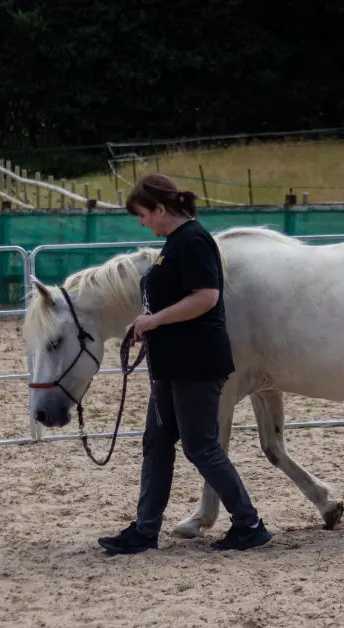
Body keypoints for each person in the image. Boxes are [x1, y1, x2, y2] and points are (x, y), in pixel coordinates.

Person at [97, 173, 272, 554]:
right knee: (157, 444)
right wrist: (146, 322)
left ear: (161, 208)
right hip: (171, 365)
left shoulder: (193, 241)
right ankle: (145, 530)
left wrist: (154, 320)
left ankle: (249, 523)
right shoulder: (173, 244)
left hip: (195, 364)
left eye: (143, 214)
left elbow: (206, 297)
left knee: (201, 446)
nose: (142, 222)